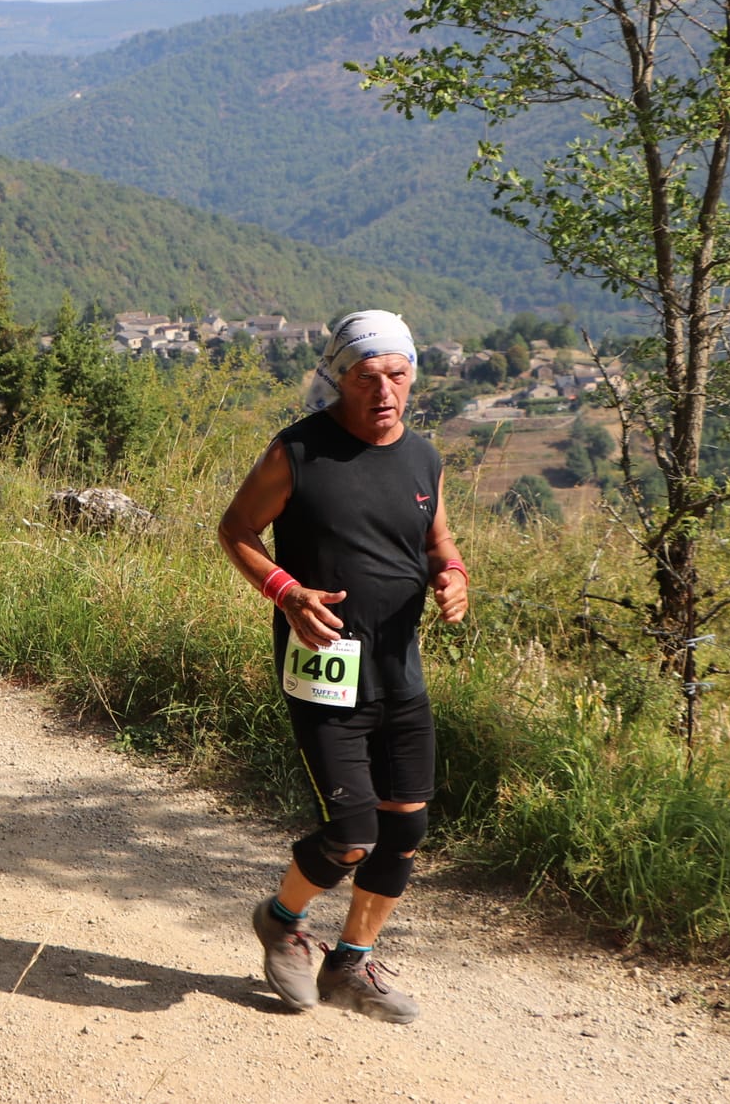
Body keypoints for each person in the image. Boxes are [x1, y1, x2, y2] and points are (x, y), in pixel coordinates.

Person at [216, 310, 468, 1020]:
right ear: (340, 376)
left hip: (400, 671)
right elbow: (235, 529)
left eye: (397, 374)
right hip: (324, 668)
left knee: (406, 829)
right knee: (353, 831)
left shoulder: (424, 458)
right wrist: (285, 590)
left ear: (413, 375)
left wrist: (453, 574)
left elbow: (438, 541)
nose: (384, 390)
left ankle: (351, 964)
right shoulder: (298, 452)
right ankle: (281, 919)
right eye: (367, 376)